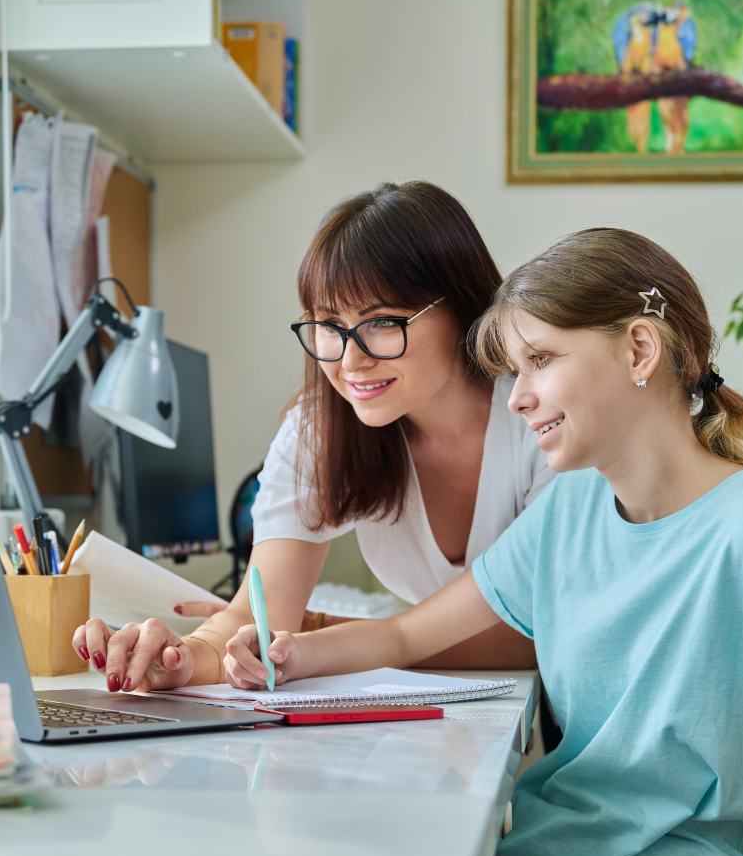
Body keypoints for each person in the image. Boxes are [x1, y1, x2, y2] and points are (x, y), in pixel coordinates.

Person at [222, 228, 743, 856]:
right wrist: (291, 653)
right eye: (515, 371)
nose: (516, 396)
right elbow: (404, 634)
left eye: (540, 360)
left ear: (639, 349)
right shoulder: (567, 511)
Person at [72, 181, 553, 691]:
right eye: (328, 324)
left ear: (463, 309)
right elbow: (256, 618)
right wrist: (180, 657)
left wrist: (316, 633)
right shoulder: (322, 426)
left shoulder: (541, 417)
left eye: (383, 322)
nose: (350, 361)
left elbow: (535, 636)